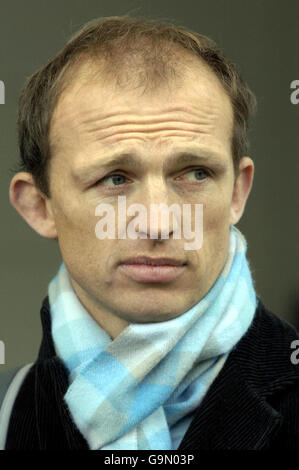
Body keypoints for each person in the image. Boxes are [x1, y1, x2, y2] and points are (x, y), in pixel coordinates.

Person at [2, 15, 299, 450]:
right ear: (39, 206)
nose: (159, 223)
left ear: (237, 193)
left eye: (195, 173)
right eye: (115, 179)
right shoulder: (8, 413)